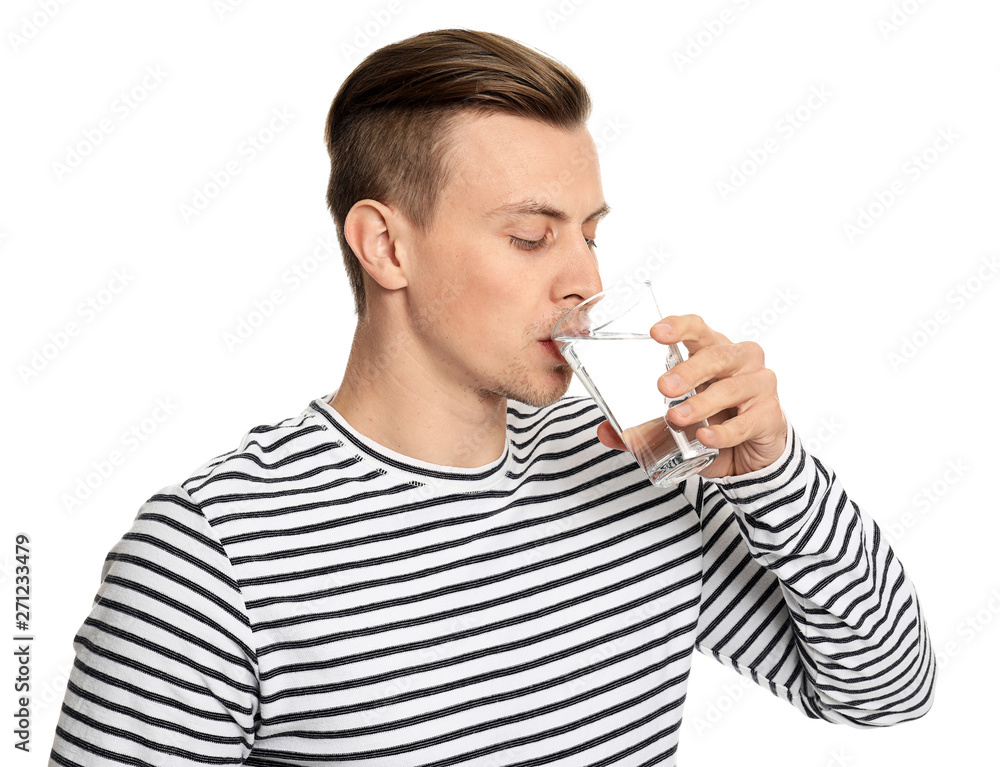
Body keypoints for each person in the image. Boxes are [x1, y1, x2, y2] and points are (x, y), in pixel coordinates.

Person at [50, 28, 935, 767]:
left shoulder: (632, 463)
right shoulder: (212, 554)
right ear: (385, 248)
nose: (586, 280)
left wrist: (771, 473)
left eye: (590, 235)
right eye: (529, 236)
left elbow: (886, 691)